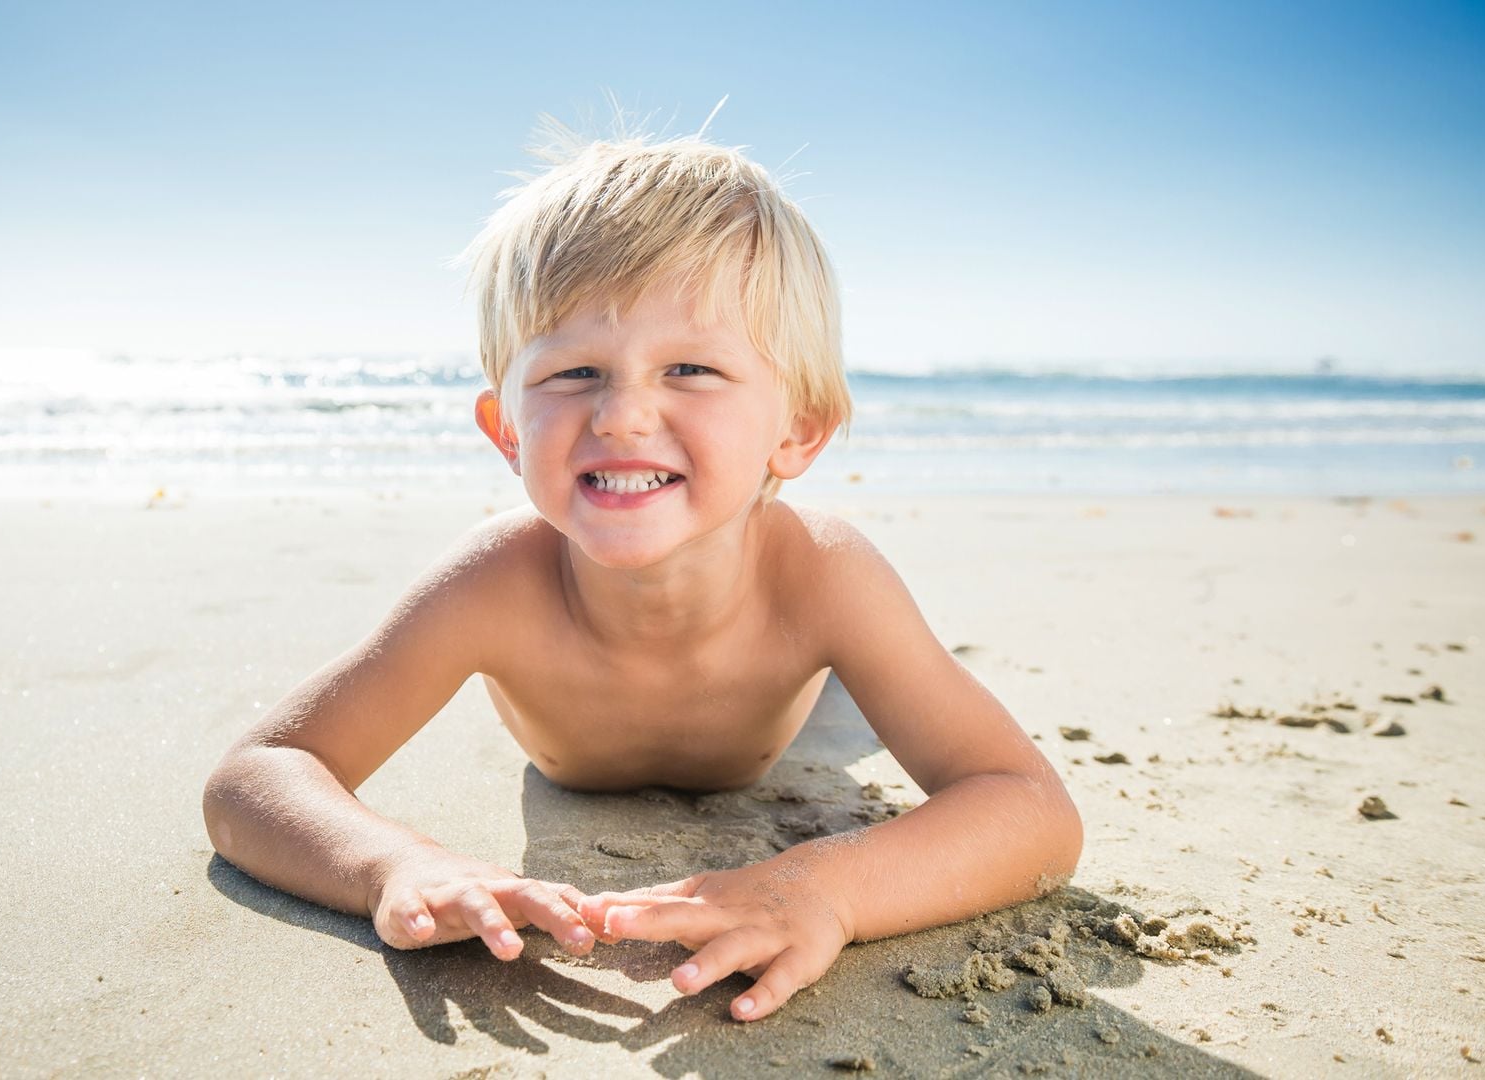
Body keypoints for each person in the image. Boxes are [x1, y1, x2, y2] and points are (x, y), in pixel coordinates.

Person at [203, 115, 1082, 1022]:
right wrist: (397, 863)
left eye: (692, 368)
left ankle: (859, 685)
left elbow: (1030, 810)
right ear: (507, 431)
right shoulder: (495, 584)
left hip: (795, 700)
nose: (622, 415)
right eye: (574, 372)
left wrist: (831, 885)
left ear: (797, 429)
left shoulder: (820, 575)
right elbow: (260, 773)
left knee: (844, 712)